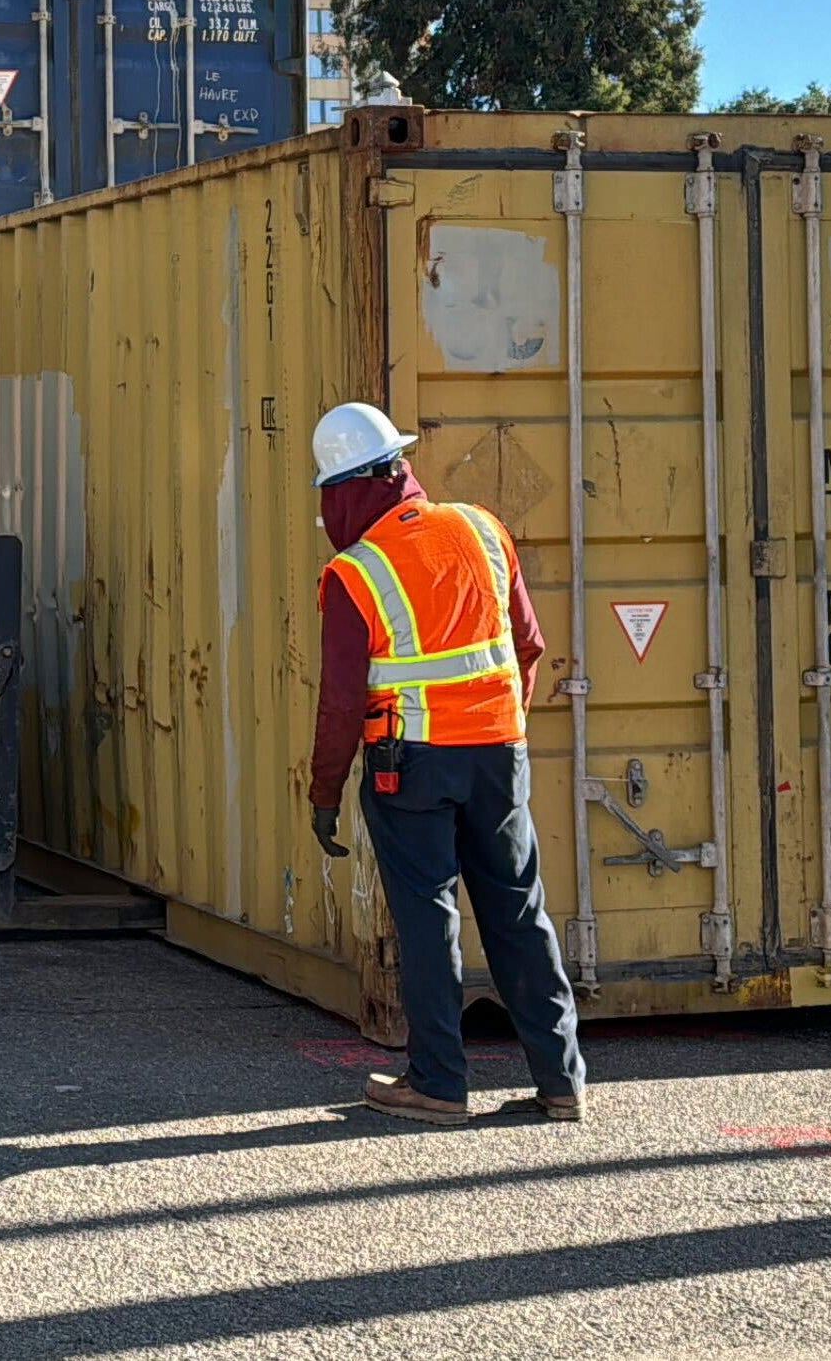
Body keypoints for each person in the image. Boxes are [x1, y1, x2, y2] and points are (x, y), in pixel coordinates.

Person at [308, 401, 585, 1126]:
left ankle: (437, 1082)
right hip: (499, 752)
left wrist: (322, 791)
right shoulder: (481, 528)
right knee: (516, 906)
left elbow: (339, 703)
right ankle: (560, 1080)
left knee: (427, 917)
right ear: (399, 466)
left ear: (341, 491)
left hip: (412, 767)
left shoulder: (354, 572)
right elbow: (526, 643)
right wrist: (503, 726)